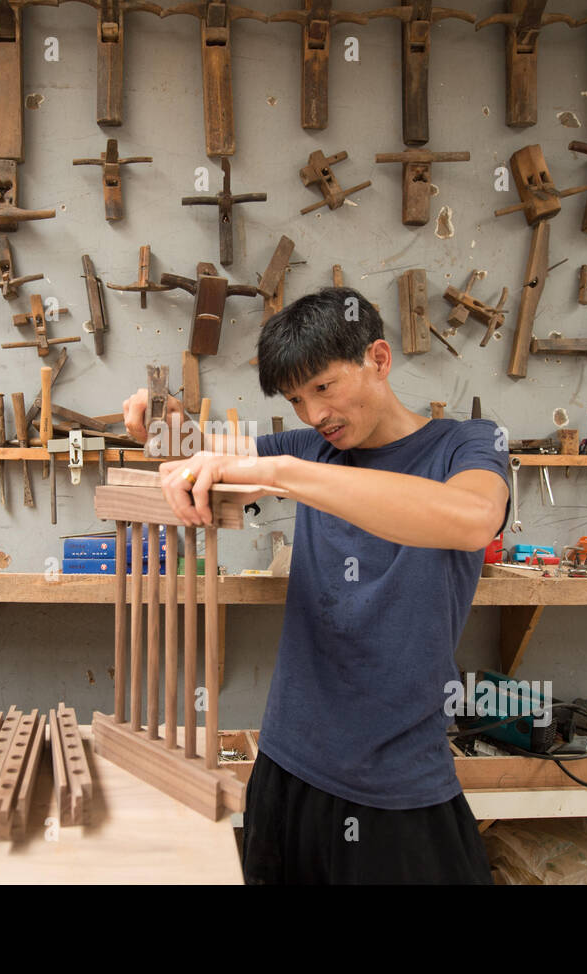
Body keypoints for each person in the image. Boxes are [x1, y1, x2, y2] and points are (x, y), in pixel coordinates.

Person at [121, 287, 510, 884]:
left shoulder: (466, 445)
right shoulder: (314, 448)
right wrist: (158, 421)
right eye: (296, 400)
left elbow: (471, 519)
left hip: (397, 781)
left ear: (378, 358)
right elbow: (202, 453)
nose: (313, 415)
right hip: (286, 765)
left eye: (323, 388)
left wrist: (282, 473)